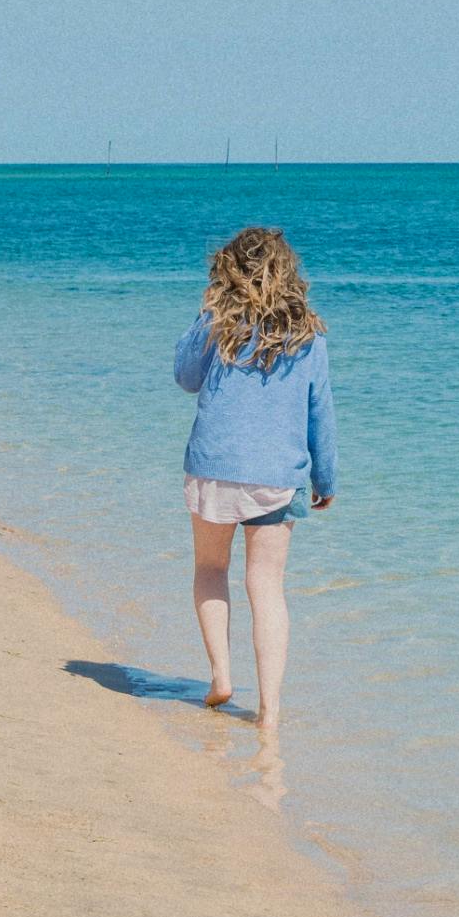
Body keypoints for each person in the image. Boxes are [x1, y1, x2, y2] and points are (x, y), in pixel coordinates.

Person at [173, 224, 338, 722]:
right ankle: (269, 708)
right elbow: (320, 411)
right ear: (288, 273)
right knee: (266, 585)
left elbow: (185, 377)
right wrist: (326, 478)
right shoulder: (308, 335)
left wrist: (206, 314)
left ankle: (221, 676)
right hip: (276, 474)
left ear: (226, 272)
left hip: (214, 467)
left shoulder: (217, 322)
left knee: (210, 569)